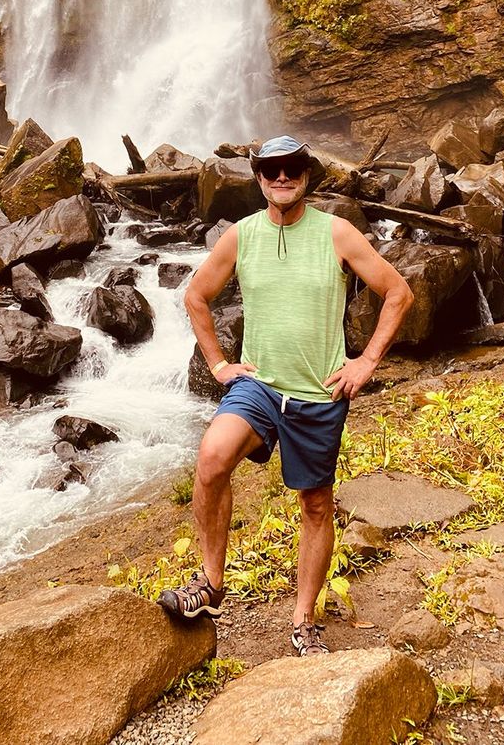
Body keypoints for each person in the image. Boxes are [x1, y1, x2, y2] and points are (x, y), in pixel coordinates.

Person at [158, 135, 413, 655]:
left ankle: (303, 620)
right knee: (211, 458)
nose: (281, 177)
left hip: (319, 393)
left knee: (316, 504)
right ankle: (210, 583)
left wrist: (366, 361)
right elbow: (195, 295)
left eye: (291, 168)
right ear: (258, 178)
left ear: (306, 175)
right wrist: (218, 364)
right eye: (270, 170)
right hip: (259, 386)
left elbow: (398, 292)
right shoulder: (240, 236)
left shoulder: (337, 234)